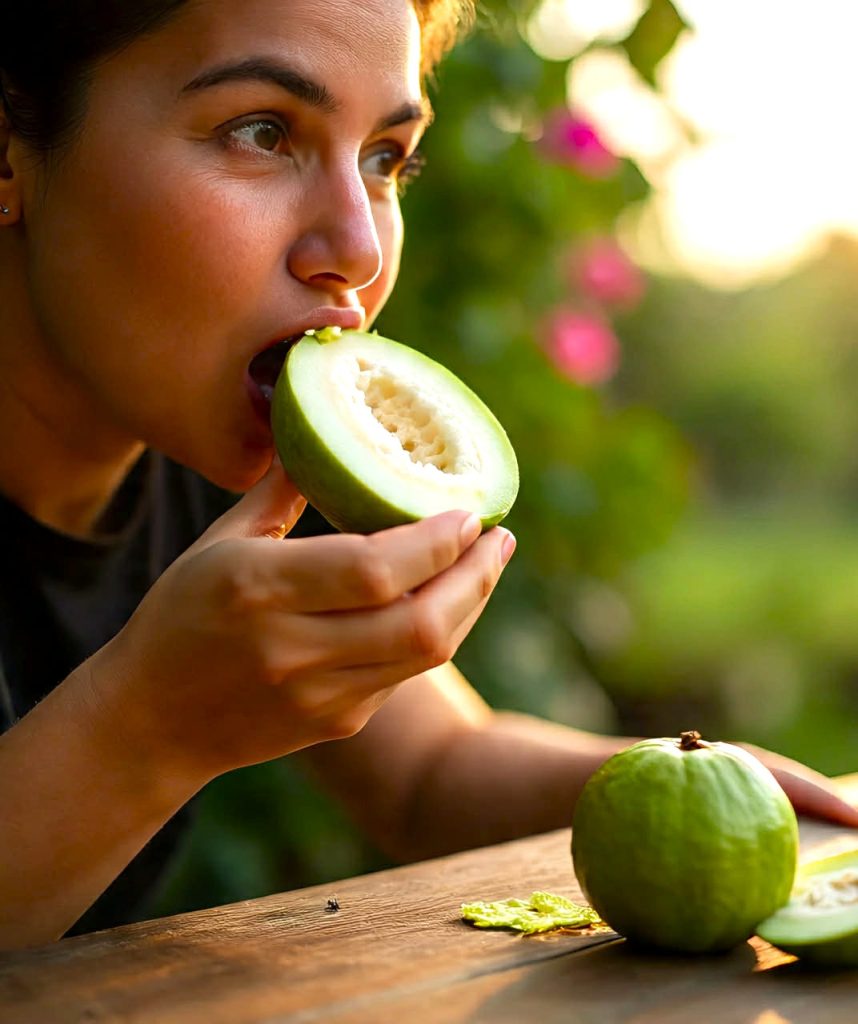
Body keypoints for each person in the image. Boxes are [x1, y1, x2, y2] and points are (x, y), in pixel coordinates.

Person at [0, 0, 855, 952]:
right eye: (263, 131)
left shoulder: (217, 454)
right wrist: (147, 731)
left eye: (386, 159)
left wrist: (716, 794)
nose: (361, 250)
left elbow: (431, 773)